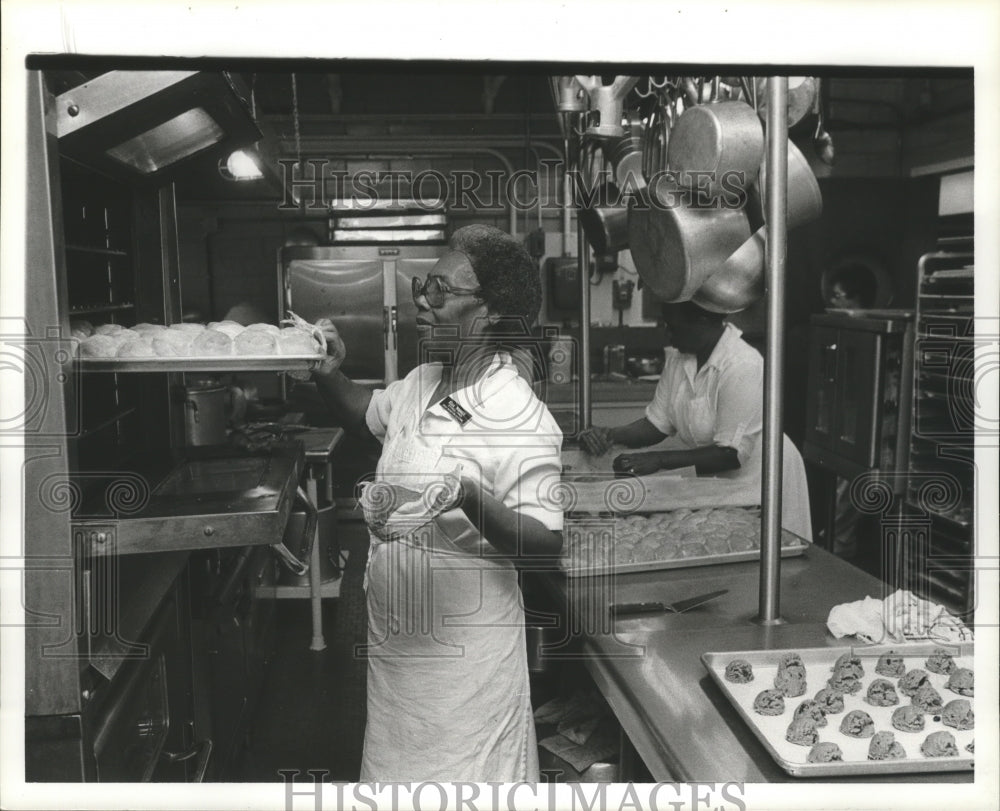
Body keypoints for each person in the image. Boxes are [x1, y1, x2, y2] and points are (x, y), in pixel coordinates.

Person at [310, 224, 563, 782]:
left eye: (440, 292)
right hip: (397, 659)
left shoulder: (516, 413)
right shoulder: (423, 381)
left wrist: (468, 495)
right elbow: (365, 415)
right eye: (424, 285)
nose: (420, 300)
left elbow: (545, 547)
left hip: (465, 674)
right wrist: (329, 374)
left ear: (491, 312)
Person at [580, 300, 763, 478]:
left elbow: (729, 455)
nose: (668, 333)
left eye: (673, 327)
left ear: (702, 322)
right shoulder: (679, 358)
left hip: (755, 483)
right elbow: (656, 425)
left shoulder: (742, 364)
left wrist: (659, 459)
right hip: (716, 483)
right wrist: (609, 435)